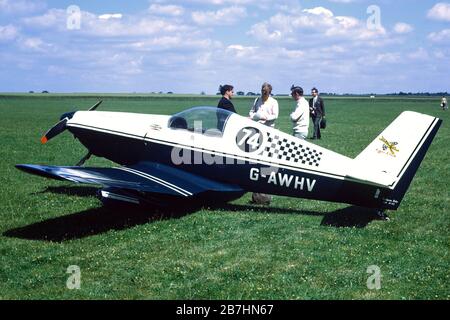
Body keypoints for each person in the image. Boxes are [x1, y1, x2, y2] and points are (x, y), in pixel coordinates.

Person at [249, 82, 279, 205]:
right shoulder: (257, 100)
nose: (264, 94)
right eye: (262, 91)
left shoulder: (274, 102)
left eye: (266, 92)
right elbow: (251, 111)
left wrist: (264, 117)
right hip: (257, 130)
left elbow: (275, 115)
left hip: (268, 130)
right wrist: (254, 116)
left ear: (269, 92)